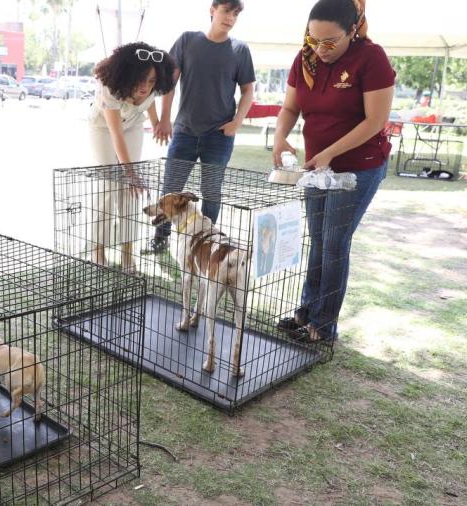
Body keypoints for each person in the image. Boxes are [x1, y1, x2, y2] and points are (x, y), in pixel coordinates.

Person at [271, 0, 394, 342]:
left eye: (330, 42)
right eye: (313, 40)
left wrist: (330, 153)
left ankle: (323, 326)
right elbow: (291, 106)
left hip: (358, 167)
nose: (320, 49)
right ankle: (305, 312)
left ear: (352, 30)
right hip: (317, 167)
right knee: (319, 239)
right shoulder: (305, 58)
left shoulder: (371, 58)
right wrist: (281, 137)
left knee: (335, 242)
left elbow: (376, 120)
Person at [144, 0, 255, 254]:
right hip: (184, 132)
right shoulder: (187, 40)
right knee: (170, 188)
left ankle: (206, 243)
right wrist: (164, 119)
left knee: (211, 192)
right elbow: (169, 83)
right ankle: (160, 238)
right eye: (227, 11)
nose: (230, 17)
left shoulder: (240, 50)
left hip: (219, 136)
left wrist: (236, 123)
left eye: (235, 14)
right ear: (212, 10)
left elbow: (248, 90)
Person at [87, 42, 176, 270]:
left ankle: (128, 255)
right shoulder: (111, 88)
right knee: (109, 186)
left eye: (151, 81)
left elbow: (151, 100)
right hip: (104, 127)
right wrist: (131, 172)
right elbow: (116, 135)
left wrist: (157, 122)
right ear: (128, 76)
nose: (146, 86)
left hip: (134, 123)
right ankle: (98, 252)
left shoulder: (154, 86)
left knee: (130, 192)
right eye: (141, 80)